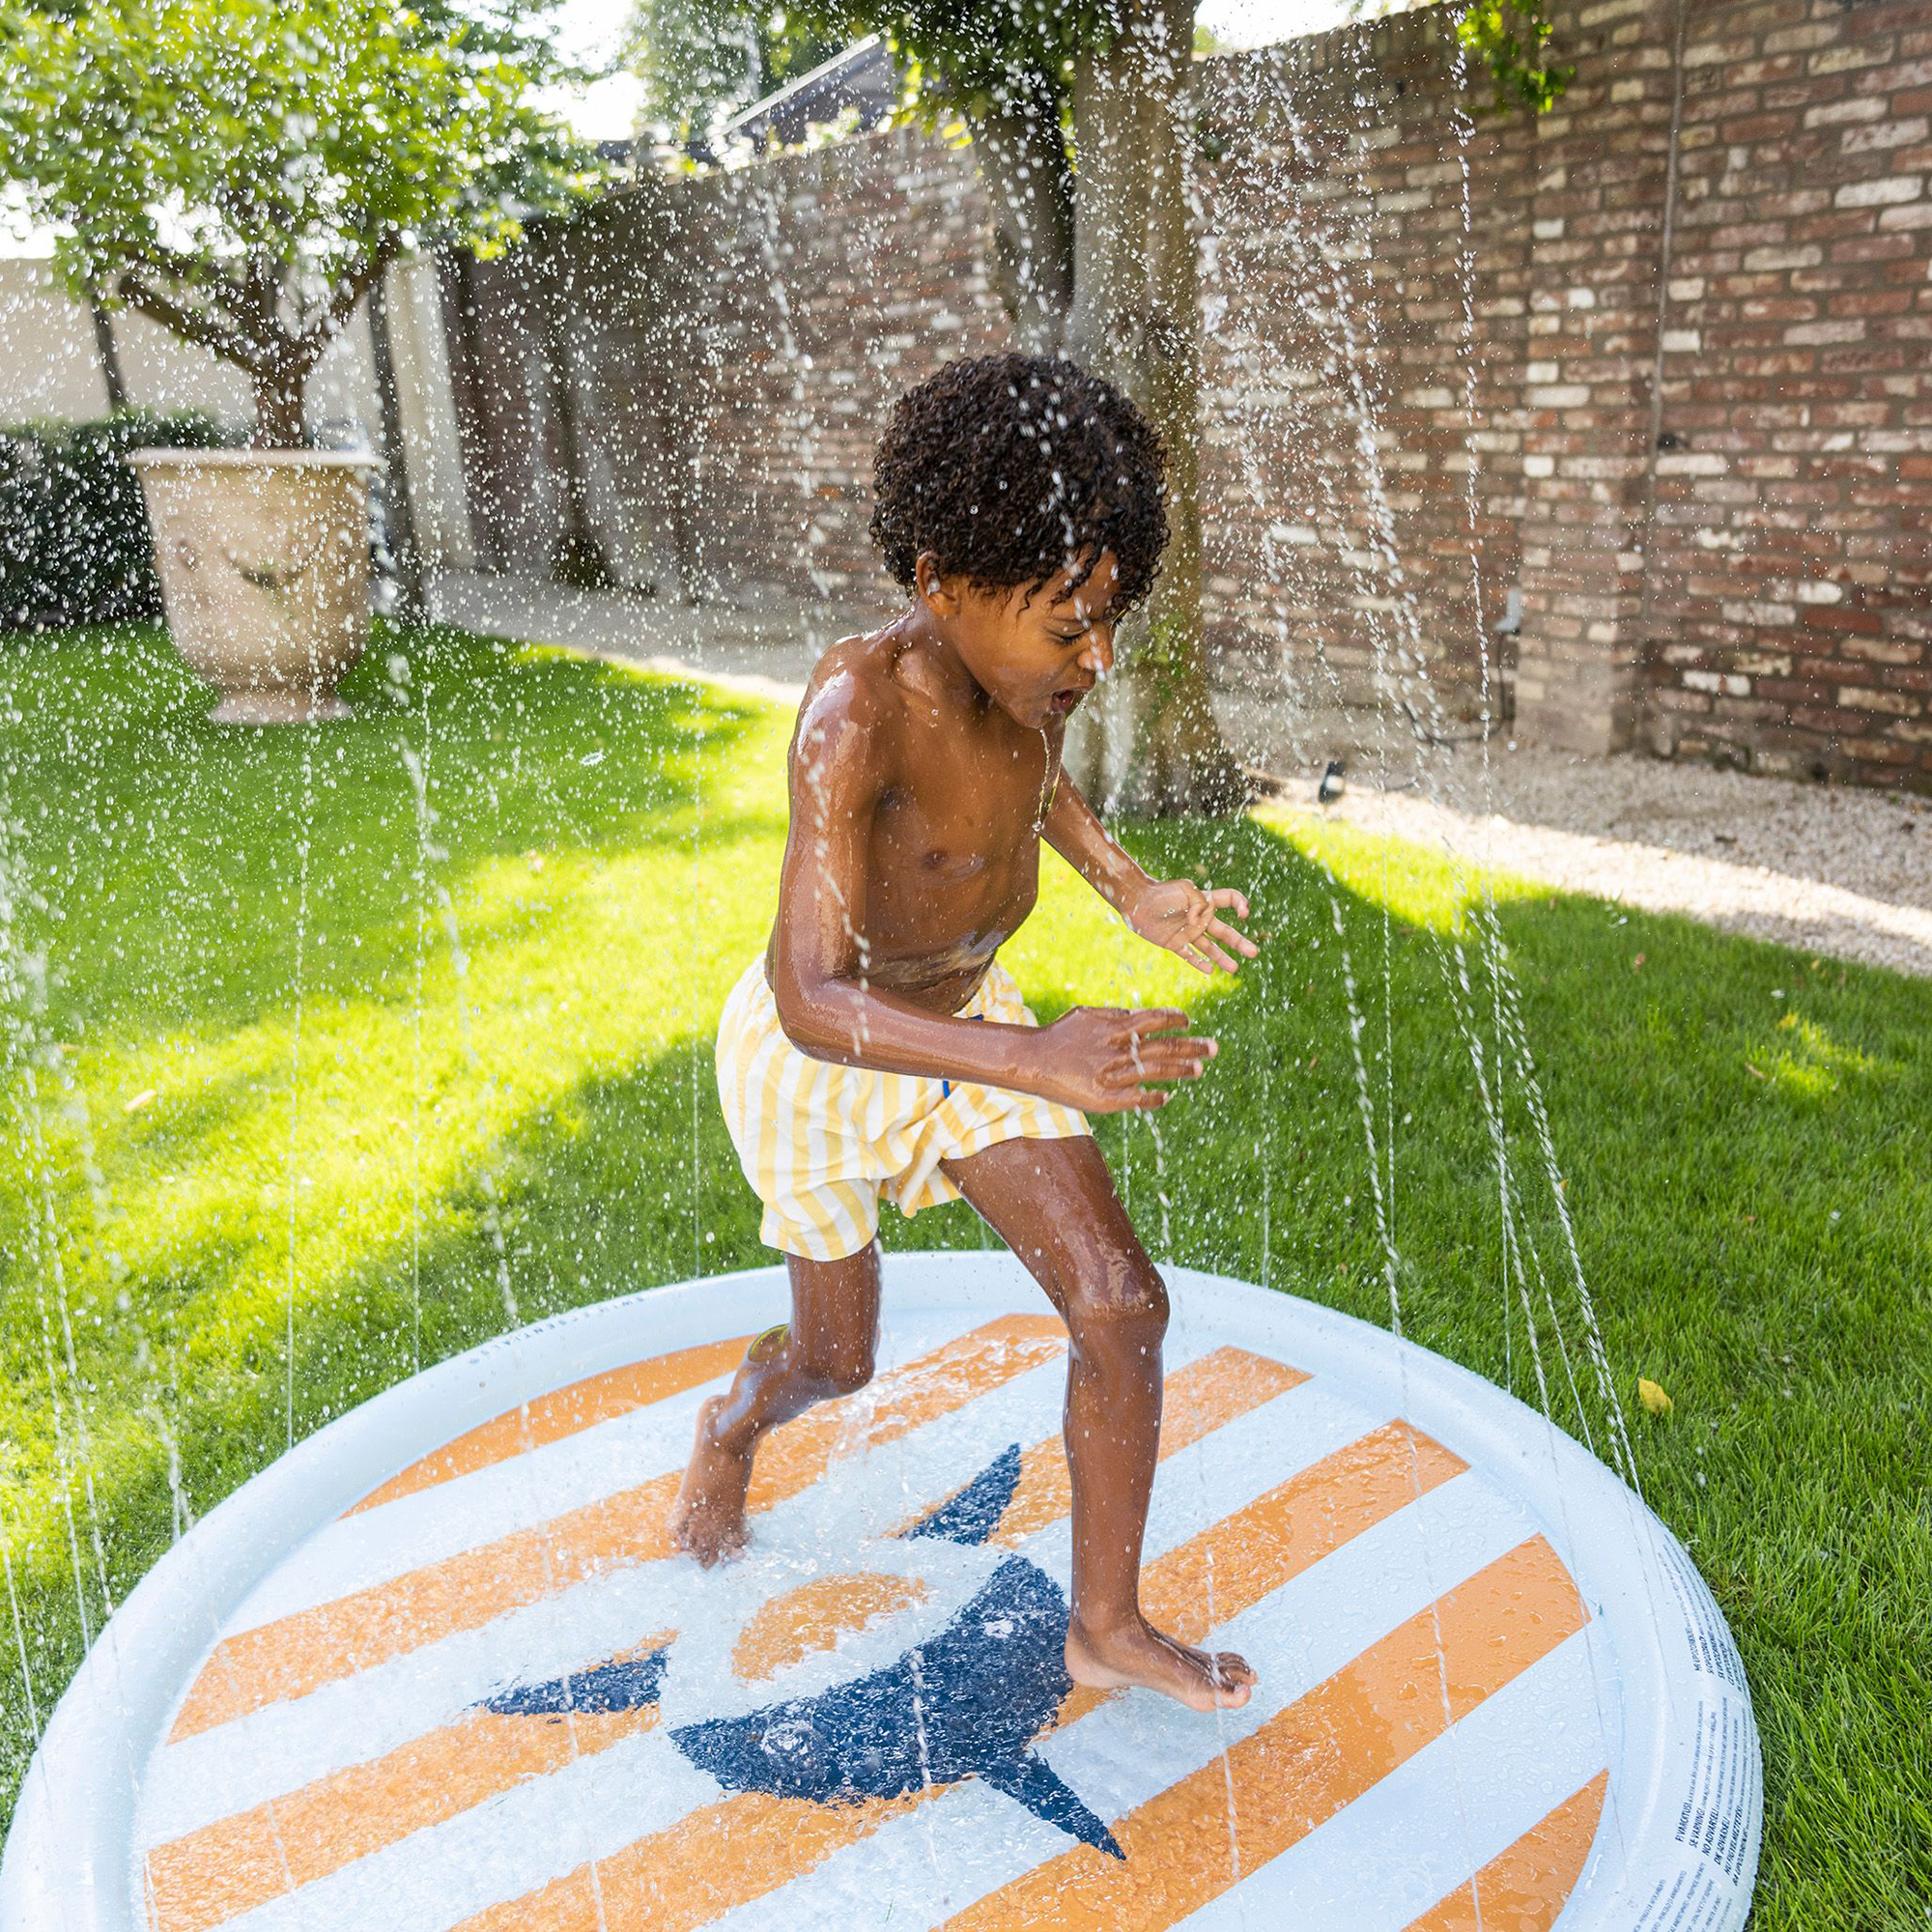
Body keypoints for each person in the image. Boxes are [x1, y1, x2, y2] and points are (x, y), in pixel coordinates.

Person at [670, 351, 1260, 1712]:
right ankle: (730, 1428)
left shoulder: (1023, 695)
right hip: (822, 1068)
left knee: (1121, 1305)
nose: (1098, 660)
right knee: (838, 1358)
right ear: (940, 579)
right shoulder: (854, 713)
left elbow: (1037, 789)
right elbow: (814, 998)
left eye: (1110, 622)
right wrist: (1040, 1058)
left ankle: (1103, 1625)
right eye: (1069, 627)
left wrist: (1131, 887)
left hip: (971, 1033)